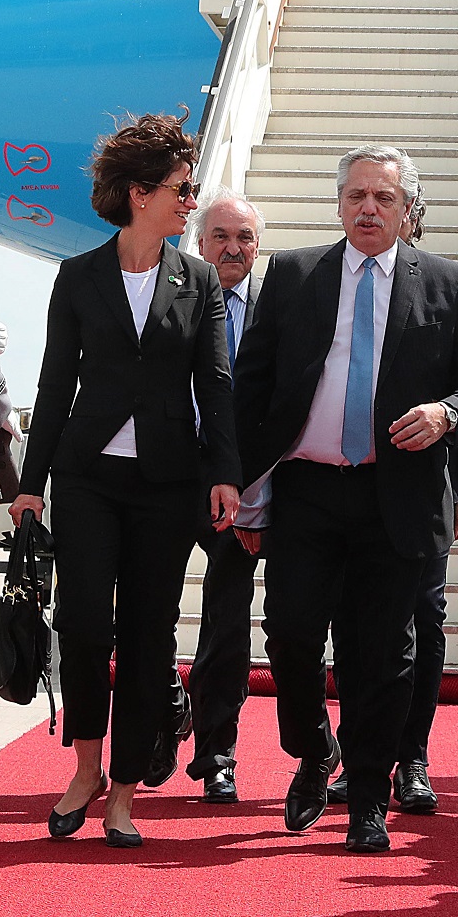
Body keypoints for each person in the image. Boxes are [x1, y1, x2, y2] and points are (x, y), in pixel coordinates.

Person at [232, 145, 458, 854]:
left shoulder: (447, 282)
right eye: (356, 196)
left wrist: (446, 414)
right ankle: (315, 750)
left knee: (385, 656)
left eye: (383, 198)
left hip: (397, 494)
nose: (368, 210)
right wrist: (236, 478)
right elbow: (250, 387)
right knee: (290, 634)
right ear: (339, 203)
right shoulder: (292, 275)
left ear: (408, 208)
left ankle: (367, 804)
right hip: (310, 488)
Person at [9, 113, 241, 847]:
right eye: (181, 189)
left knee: (149, 633)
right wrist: (30, 480)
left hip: (168, 483)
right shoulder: (78, 278)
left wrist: (225, 474)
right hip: (88, 477)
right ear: (141, 194)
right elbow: (53, 386)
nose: (190, 202)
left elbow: (218, 382)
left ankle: (125, 793)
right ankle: (85, 767)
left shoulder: (198, 279)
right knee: (82, 624)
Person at [172, 188, 265, 804]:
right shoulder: (173, 298)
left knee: (227, 625)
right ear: (199, 243)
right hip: (175, 479)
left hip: (243, 485)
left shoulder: (279, 309)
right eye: (220, 238)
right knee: (150, 619)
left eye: (244, 239)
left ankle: (217, 752)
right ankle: (157, 726)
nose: (232, 250)